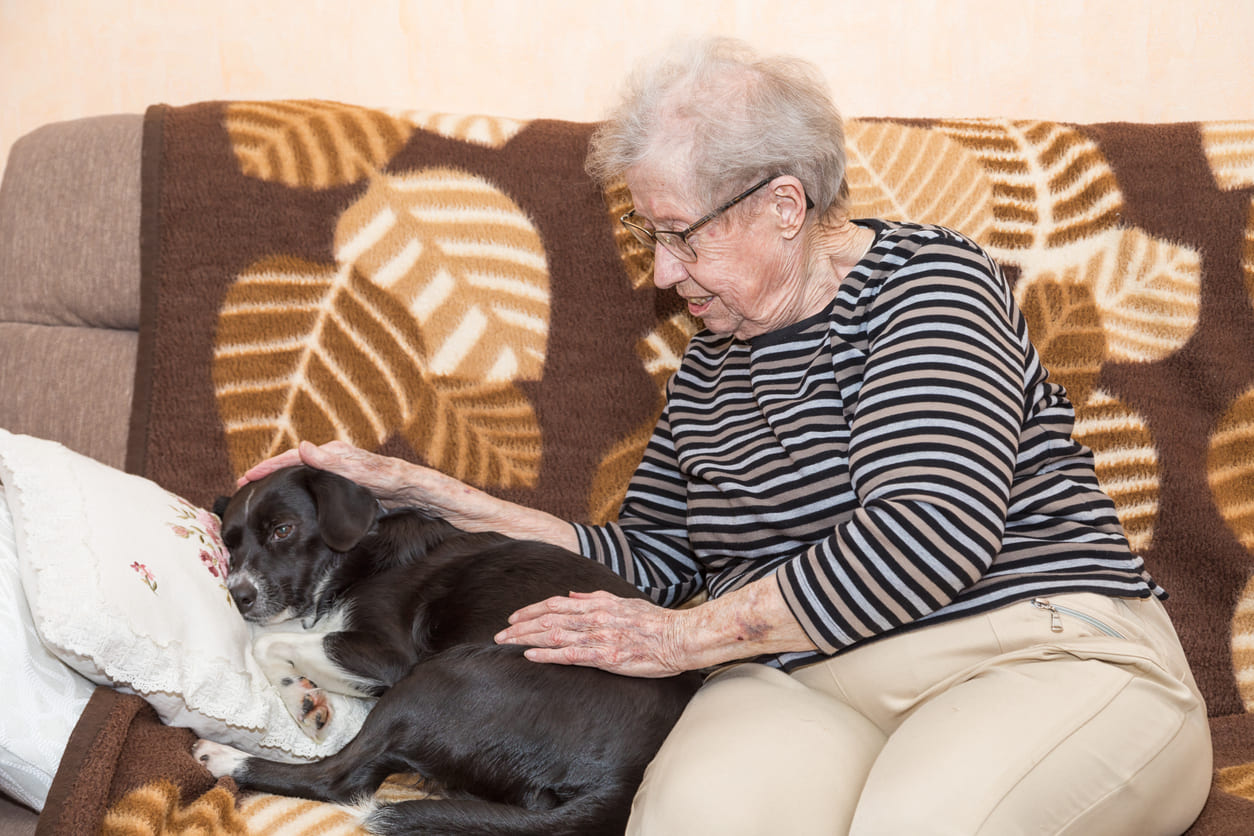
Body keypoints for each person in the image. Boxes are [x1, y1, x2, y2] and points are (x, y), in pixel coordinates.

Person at [243, 37, 1212, 835]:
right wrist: (440, 498)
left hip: (1031, 648)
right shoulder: (711, 365)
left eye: (681, 233)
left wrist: (685, 637)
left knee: (920, 822)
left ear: (784, 206)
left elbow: (927, 535)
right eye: (649, 236)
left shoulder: (927, 285)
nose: (664, 274)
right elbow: (653, 562)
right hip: (799, 677)